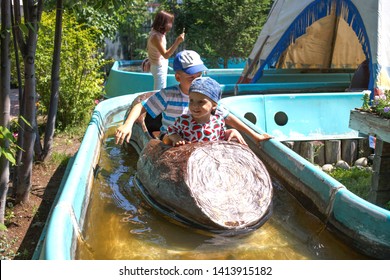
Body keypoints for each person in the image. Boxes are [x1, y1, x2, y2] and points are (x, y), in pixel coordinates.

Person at [115, 50, 271, 146]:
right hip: (171, 137)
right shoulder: (169, 95)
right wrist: (127, 125)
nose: (197, 80)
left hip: (198, 140)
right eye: (191, 77)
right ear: (177, 77)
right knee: (168, 138)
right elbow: (142, 106)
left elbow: (228, 118)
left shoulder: (206, 96)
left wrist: (254, 136)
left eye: (199, 76)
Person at [166, 77, 244, 146]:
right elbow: (171, 131)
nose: (194, 105)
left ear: (214, 105)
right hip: (190, 157)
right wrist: (176, 138)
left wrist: (231, 131)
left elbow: (221, 137)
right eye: (191, 100)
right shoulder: (183, 121)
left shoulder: (218, 121)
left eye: (201, 102)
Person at [147, 10, 185, 90]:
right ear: (163, 23)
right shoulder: (155, 37)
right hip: (158, 67)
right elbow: (166, 55)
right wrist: (177, 42)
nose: (171, 25)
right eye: (170, 22)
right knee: (159, 91)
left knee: (160, 90)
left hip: (159, 65)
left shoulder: (158, 32)